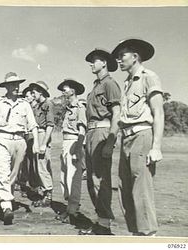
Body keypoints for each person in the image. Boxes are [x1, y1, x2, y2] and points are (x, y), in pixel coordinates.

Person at [112, 39, 164, 236]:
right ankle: (136, 234)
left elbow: (158, 113)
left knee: (141, 189)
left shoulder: (149, 77)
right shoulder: (126, 83)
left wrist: (156, 146)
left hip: (142, 136)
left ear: (135, 56)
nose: (118, 60)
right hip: (126, 138)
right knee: (124, 189)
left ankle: (148, 235)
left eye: (122, 55)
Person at [0, 72, 39, 225]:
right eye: (13, 85)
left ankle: (7, 197)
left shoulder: (25, 104)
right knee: (2, 172)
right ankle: (6, 206)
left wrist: (35, 143)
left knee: (13, 174)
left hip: (19, 141)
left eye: (18, 84)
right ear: (7, 87)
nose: (16, 87)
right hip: (1, 139)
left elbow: (33, 125)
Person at [82, 49, 121, 235]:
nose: (91, 64)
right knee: (91, 180)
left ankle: (104, 224)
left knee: (100, 180)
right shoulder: (96, 86)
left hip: (102, 132)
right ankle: (101, 220)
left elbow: (117, 115)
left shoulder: (110, 84)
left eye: (94, 61)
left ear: (104, 62)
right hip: (91, 132)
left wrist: (110, 141)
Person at [56, 79, 87, 225]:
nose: (63, 92)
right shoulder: (68, 108)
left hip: (74, 143)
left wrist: (78, 149)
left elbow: (82, 131)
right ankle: (69, 208)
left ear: (73, 91)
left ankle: (73, 210)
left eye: (65, 89)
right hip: (66, 142)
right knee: (64, 178)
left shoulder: (80, 107)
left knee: (72, 179)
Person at [29, 81, 55, 207]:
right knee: (38, 166)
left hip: (43, 134)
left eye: (34, 92)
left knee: (43, 166)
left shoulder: (48, 104)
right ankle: (44, 193)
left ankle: (48, 194)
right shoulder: (38, 105)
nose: (33, 95)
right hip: (37, 135)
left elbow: (50, 125)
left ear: (41, 92)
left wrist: (44, 143)